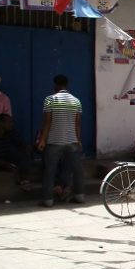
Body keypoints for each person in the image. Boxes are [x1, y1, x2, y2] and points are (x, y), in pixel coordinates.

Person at [38, 74, 83, 207]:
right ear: (67, 85)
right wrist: (78, 140)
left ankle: (48, 200)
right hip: (72, 141)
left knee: (49, 170)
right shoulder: (76, 101)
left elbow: (47, 122)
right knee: (77, 170)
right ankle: (79, 196)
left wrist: (42, 140)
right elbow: (77, 124)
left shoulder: (50, 100)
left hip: (54, 141)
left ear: (55, 85)